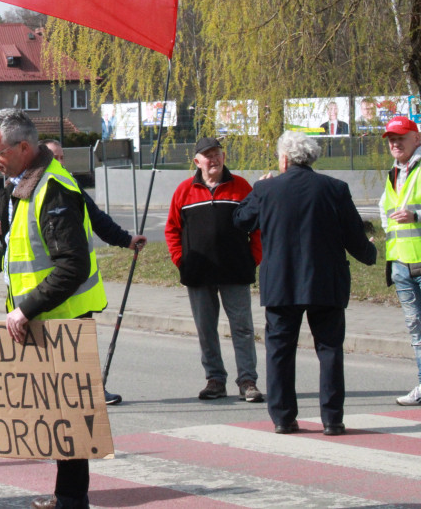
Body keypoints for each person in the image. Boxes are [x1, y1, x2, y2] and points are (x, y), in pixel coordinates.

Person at [0, 109, 106, 509]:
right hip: (45, 319)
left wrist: (25, 308)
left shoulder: (53, 189)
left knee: (70, 418)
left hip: (63, 320)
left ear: (23, 147)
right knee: (57, 414)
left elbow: (72, 265)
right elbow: (25, 242)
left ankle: (71, 501)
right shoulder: (25, 182)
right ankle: (65, 497)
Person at [233, 131, 376, 436]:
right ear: (312, 158)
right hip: (326, 282)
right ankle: (332, 419)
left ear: (283, 159)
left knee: (280, 352)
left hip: (281, 285)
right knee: (329, 350)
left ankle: (284, 418)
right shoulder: (335, 188)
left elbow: (241, 220)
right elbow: (354, 235)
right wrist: (371, 255)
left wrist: (257, 188)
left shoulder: (266, 189)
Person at [0, 138, 147, 406]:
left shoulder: (60, 186)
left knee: (73, 377)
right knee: (50, 383)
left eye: (62, 157)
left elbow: (96, 220)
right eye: (55, 156)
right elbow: (13, 238)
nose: (60, 162)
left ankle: (90, 393)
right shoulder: (11, 188)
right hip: (31, 297)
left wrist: (125, 239)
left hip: (64, 294)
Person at [165, 137, 263, 402]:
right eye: (208, 155)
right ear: (197, 161)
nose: (214, 159)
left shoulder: (241, 187)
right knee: (206, 329)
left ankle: (247, 381)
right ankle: (215, 380)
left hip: (236, 272)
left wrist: (253, 258)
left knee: (242, 328)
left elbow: (258, 227)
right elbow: (172, 229)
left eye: (217, 154)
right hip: (198, 273)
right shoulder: (184, 190)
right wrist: (180, 260)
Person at [376, 116, 421, 406]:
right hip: (401, 264)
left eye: (401, 137)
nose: (394, 143)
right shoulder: (394, 172)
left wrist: (416, 217)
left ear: (416, 139)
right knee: (415, 327)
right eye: (391, 139)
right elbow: (385, 211)